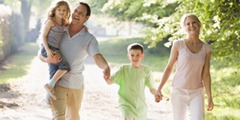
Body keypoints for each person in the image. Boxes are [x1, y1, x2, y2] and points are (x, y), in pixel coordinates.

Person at [38, 2, 110, 120]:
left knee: (73, 117)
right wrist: (46, 59)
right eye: (76, 11)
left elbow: (97, 56)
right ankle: (49, 91)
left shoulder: (89, 38)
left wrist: (106, 67)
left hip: (75, 85)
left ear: (86, 18)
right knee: (58, 117)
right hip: (58, 83)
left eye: (81, 13)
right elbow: (41, 51)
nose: (77, 14)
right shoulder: (60, 27)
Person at [155, 13, 214, 120]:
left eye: (194, 22)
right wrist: (159, 89)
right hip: (178, 91)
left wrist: (209, 96)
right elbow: (169, 68)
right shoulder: (178, 44)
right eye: (188, 24)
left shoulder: (206, 49)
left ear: (199, 24)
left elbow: (206, 74)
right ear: (184, 28)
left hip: (197, 92)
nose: (191, 25)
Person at [106, 43, 161, 120]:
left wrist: (157, 94)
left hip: (140, 105)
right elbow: (110, 81)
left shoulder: (146, 71)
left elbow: (152, 88)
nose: (135, 57)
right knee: (128, 117)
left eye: (138, 55)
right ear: (128, 56)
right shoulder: (123, 69)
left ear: (142, 56)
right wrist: (106, 77)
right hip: (125, 103)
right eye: (132, 55)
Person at [39, 0, 71, 101]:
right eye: (59, 9)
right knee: (65, 66)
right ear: (55, 10)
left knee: (53, 73)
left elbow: (73, 27)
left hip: (55, 49)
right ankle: (49, 86)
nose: (61, 12)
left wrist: (84, 28)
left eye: (64, 10)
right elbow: (43, 36)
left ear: (67, 12)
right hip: (48, 48)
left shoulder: (64, 22)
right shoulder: (51, 21)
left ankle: (48, 97)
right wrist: (48, 50)